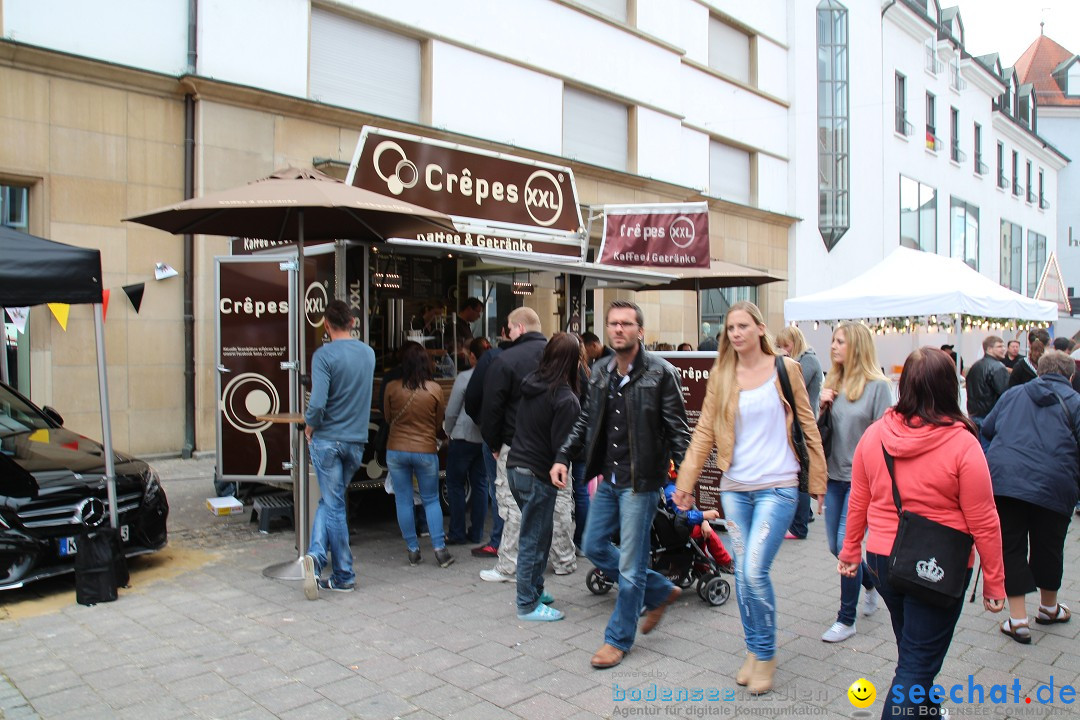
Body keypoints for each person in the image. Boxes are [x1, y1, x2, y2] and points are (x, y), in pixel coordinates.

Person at [839, 347, 1005, 720]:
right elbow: (985, 520)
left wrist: (851, 551)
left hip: (883, 560)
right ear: (951, 388)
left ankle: (927, 708)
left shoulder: (875, 435)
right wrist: (995, 581)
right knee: (915, 664)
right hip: (937, 564)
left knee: (914, 654)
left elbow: (858, 500)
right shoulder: (963, 444)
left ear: (905, 387)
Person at [673, 301, 825, 695]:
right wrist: (685, 484)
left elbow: (808, 425)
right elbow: (704, 430)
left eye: (743, 326)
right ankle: (754, 651)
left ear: (760, 329)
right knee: (742, 573)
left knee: (754, 570)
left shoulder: (785, 369)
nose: (736, 333)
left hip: (779, 487)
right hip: (736, 490)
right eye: (730, 327)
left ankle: (766, 652)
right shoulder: (722, 374)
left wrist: (818, 481)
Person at [553, 300, 691, 670]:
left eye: (626, 324)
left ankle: (618, 639)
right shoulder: (600, 370)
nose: (618, 329)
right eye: (613, 323)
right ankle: (660, 590)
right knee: (592, 545)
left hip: (641, 483)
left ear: (639, 331)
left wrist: (687, 484)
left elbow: (680, 431)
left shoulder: (661, 373)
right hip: (609, 479)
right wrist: (562, 455)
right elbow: (585, 420)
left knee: (630, 564)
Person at [982, 350, 1080, 644]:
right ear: (1070, 375)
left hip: (1006, 481)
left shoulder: (1013, 394)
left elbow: (987, 428)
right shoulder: (1075, 401)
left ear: (1038, 370)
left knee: (1010, 546)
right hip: (1055, 483)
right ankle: (1049, 608)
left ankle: (1018, 620)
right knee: (1049, 546)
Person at [818, 322, 893, 643]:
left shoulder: (878, 386)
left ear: (857, 346)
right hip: (834, 477)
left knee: (846, 546)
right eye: (833, 341)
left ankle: (846, 619)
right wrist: (821, 404)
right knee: (836, 546)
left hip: (862, 482)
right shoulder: (831, 380)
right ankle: (869, 580)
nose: (833, 346)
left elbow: (886, 436)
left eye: (840, 341)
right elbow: (816, 432)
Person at [302, 300, 376, 598]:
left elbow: (317, 402)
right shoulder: (368, 353)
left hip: (327, 439)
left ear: (326, 324)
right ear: (352, 323)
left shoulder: (324, 355)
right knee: (330, 503)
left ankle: (344, 574)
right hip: (356, 440)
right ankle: (316, 559)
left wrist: (309, 426)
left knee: (332, 505)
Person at [507, 333, 583, 621]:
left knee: (539, 534)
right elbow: (561, 448)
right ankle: (527, 602)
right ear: (574, 361)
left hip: (515, 467)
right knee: (534, 538)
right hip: (538, 472)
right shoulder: (565, 398)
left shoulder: (532, 384)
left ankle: (535, 589)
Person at [479, 307, 549, 582]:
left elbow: (491, 408)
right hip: (552, 447)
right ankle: (562, 560)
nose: (506, 333)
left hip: (515, 445)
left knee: (513, 505)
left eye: (508, 327)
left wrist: (494, 443)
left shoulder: (506, 359)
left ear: (518, 328)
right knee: (552, 505)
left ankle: (509, 566)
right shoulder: (559, 356)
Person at [384, 343, 453, 568]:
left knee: (403, 499)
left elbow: (387, 417)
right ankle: (440, 550)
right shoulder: (434, 389)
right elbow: (437, 423)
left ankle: (413, 550)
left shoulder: (392, 388)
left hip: (396, 449)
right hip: (425, 449)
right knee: (430, 499)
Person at [464, 324, 511, 558]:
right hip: (531, 437)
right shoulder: (540, 353)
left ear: (504, 331)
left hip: (498, 438)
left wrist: (483, 423)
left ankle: (499, 542)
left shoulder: (492, 357)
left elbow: (472, 396)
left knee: (498, 489)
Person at [775, 325, 823, 540]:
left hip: (801, 425)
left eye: (786, 345)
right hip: (795, 424)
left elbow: (792, 390)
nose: (783, 349)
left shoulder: (807, 361)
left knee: (801, 475)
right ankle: (802, 518)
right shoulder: (801, 360)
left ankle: (799, 525)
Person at [443, 337, 491, 546]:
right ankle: (478, 532)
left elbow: (452, 409)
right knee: (480, 484)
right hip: (484, 438)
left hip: (462, 436)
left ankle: (457, 532)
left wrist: (447, 429)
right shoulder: (495, 375)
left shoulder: (465, 377)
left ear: (472, 356)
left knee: (455, 483)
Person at [662, 481, 732, 572]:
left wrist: (703, 521)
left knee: (701, 534)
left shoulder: (660, 490)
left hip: (668, 528)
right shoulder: (673, 491)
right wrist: (703, 516)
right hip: (677, 529)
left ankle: (703, 567)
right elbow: (683, 517)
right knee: (709, 534)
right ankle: (725, 562)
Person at [966, 336, 1009, 449]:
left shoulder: (975, 366)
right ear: (989, 349)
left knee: (976, 448)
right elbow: (1005, 393)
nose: (1003, 349)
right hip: (989, 416)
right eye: (999, 346)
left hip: (974, 413)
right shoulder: (998, 368)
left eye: (1003, 346)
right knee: (987, 450)